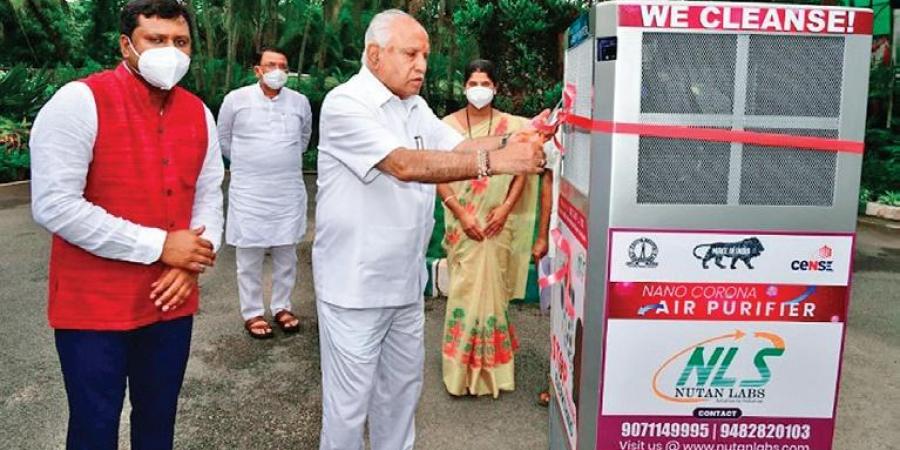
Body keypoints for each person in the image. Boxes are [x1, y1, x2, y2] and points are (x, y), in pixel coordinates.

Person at [313, 9, 549, 450]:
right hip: (355, 287)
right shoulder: (347, 104)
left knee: (401, 396)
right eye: (410, 53)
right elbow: (405, 164)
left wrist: (518, 138)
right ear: (375, 54)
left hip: (404, 283)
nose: (421, 64)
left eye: (425, 54)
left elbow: (459, 148)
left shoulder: (414, 106)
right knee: (348, 408)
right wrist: (494, 163)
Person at [28, 1, 224, 448]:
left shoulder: (198, 112)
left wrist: (190, 261)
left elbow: (210, 195)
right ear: (126, 44)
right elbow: (55, 205)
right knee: (95, 426)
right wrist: (160, 246)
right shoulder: (79, 101)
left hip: (171, 300)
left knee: (159, 422)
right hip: (93, 306)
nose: (170, 51)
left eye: (180, 42)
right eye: (155, 40)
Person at [438, 59, 541, 397]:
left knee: (493, 296)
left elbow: (523, 168)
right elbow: (437, 173)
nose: (478, 89)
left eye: (485, 83)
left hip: (498, 222)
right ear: (464, 87)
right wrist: (462, 214)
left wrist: (506, 208)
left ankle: (494, 374)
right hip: (462, 223)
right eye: (472, 83)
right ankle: (460, 373)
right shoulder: (446, 127)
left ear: (495, 88)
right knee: (465, 294)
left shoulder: (513, 127)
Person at [218, 46, 312, 339]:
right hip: (250, 191)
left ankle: (282, 306)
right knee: (249, 255)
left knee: (287, 252)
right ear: (257, 70)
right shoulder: (236, 100)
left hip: (287, 190)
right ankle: (252, 312)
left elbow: (304, 139)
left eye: (283, 66)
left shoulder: (300, 102)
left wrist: (278, 159)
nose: (277, 71)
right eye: (271, 65)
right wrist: (253, 162)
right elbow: (223, 139)